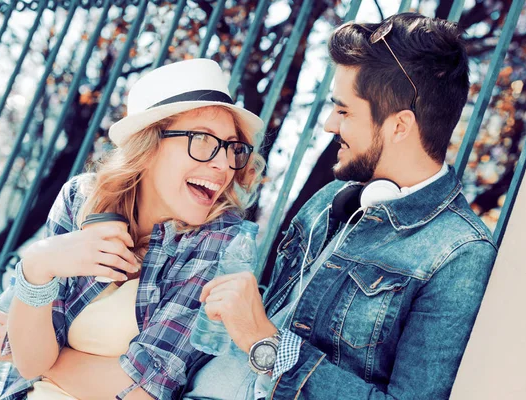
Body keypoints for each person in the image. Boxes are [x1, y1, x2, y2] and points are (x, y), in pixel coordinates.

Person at [184, 13, 498, 400]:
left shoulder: (460, 254)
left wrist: (266, 344)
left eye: (345, 110)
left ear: (399, 126)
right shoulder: (328, 202)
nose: (330, 124)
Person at [0, 58, 265, 400]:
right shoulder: (82, 200)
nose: (224, 163)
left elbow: (142, 392)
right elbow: (31, 359)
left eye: (232, 147)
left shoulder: (222, 239)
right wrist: (38, 263)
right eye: (203, 141)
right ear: (149, 145)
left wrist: (30, 345)